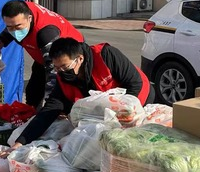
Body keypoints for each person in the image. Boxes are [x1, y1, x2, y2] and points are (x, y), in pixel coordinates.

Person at [10, 37, 154, 148]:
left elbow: (135, 84)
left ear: (79, 59)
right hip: (108, 111)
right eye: (57, 68)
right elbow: (48, 112)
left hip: (138, 97)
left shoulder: (105, 55)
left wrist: (126, 116)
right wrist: (21, 142)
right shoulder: (63, 79)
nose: (61, 72)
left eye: (65, 67)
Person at [0, 0, 84, 109]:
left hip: (69, 59)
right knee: (33, 93)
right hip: (43, 56)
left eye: (18, 27)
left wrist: (50, 104)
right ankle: (33, 112)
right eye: (9, 27)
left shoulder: (46, 34)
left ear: (29, 18)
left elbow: (53, 72)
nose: (14, 31)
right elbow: (12, 26)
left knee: (63, 97)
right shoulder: (20, 11)